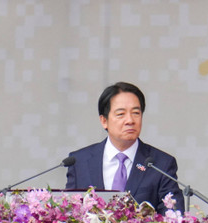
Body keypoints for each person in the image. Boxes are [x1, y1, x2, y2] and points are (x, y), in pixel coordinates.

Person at [65, 82, 184, 214]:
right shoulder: (79, 162)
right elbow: (70, 213)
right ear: (104, 121)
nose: (130, 120)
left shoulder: (161, 164)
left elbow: (173, 219)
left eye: (136, 113)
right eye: (121, 114)